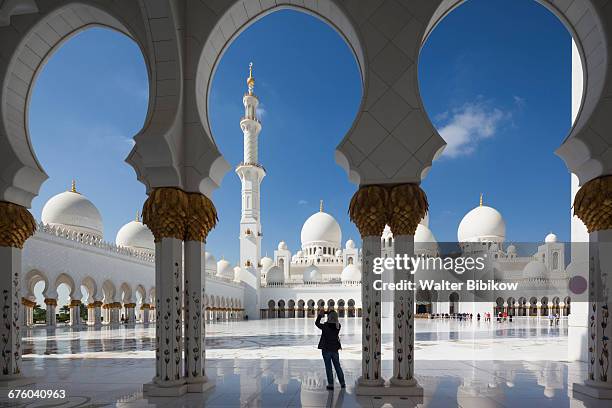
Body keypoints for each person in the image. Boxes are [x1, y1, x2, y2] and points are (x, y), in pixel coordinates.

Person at [315, 310, 346, 390]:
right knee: (337, 366)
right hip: (335, 349)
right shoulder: (338, 326)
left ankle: (331, 384)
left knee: (328, 367)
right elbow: (334, 322)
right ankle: (342, 383)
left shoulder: (325, 326)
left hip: (326, 349)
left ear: (329, 317)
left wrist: (320, 315)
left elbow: (317, 323)